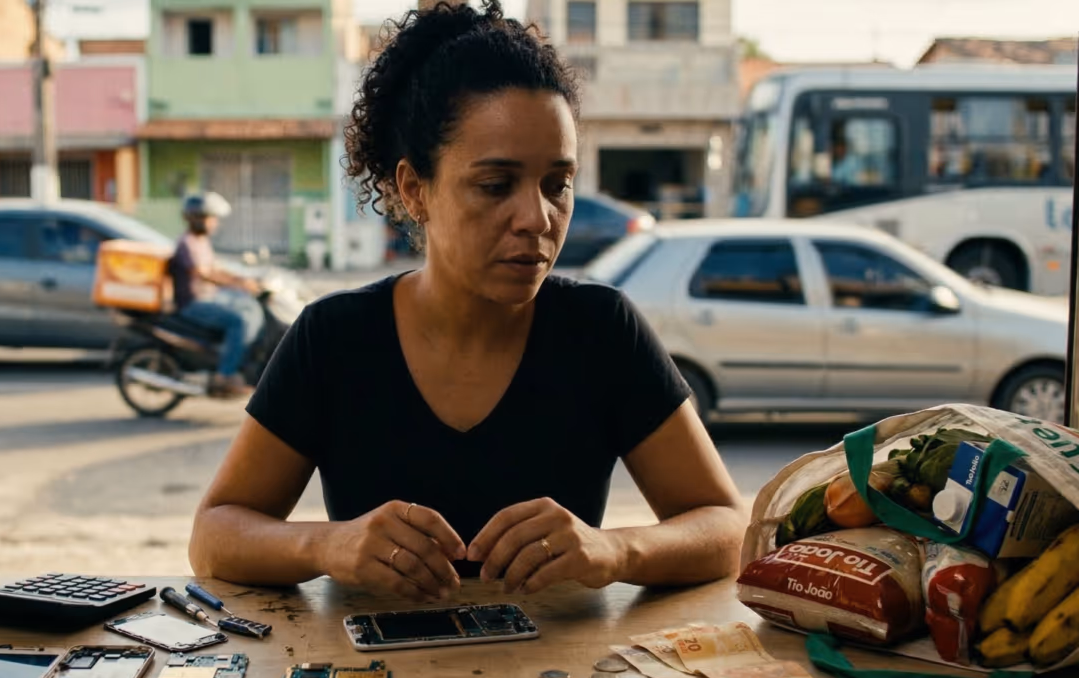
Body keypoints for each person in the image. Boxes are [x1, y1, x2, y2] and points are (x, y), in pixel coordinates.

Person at [189, 0, 745, 600]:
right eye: (495, 184)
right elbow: (214, 537)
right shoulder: (334, 338)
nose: (537, 217)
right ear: (414, 189)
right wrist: (326, 544)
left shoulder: (602, 331)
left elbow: (725, 527)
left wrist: (614, 550)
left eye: (558, 184)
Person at [168, 192, 265, 398]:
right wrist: (237, 284)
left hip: (211, 297)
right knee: (238, 322)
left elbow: (216, 268)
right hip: (194, 303)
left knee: (250, 307)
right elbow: (204, 274)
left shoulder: (201, 241)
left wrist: (243, 279)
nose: (215, 223)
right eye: (211, 218)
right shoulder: (186, 243)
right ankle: (225, 375)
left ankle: (240, 359)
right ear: (196, 218)